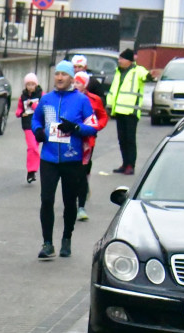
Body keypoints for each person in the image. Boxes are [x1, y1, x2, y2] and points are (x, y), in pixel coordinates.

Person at [31, 61, 98, 259]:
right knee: (46, 200)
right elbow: (36, 119)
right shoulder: (46, 99)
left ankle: (66, 238)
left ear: (71, 78)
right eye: (57, 74)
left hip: (72, 159)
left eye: (64, 74)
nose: (59, 78)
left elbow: (92, 126)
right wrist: (38, 131)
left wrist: (76, 128)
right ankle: (47, 243)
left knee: (70, 202)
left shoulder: (81, 100)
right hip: (49, 158)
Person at [106, 48, 149, 175]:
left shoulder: (138, 71)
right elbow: (114, 90)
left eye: (122, 58)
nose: (119, 61)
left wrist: (150, 76)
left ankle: (130, 165)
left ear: (129, 60)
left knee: (130, 139)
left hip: (131, 112)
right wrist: (109, 106)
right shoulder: (118, 72)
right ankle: (125, 164)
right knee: (122, 139)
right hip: (119, 110)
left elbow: (146, 76)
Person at [73, 71, 109, 222]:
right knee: (71, 174)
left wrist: (96, 127)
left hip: (87, 142)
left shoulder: (94, 100)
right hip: (70, 141)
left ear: (85, 84)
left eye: (79, 83)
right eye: (74, 82)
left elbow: (103, 116)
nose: (76, 85)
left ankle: (81, 207)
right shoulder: (68, 97)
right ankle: (71, 204)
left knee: (81, 174)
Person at [17, 72, 42, 183]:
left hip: (39, 124)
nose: (30, 87)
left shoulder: (42, 95)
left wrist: (33, 105)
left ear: (36, 85)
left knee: (34, 147)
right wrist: (20, 113)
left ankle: (32, 170)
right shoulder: (23, 96)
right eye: (28, 84)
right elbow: (19, 109)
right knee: (33, 147)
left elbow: (43, 109)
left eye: (32, 84)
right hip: (27, 124)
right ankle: (31, 171)